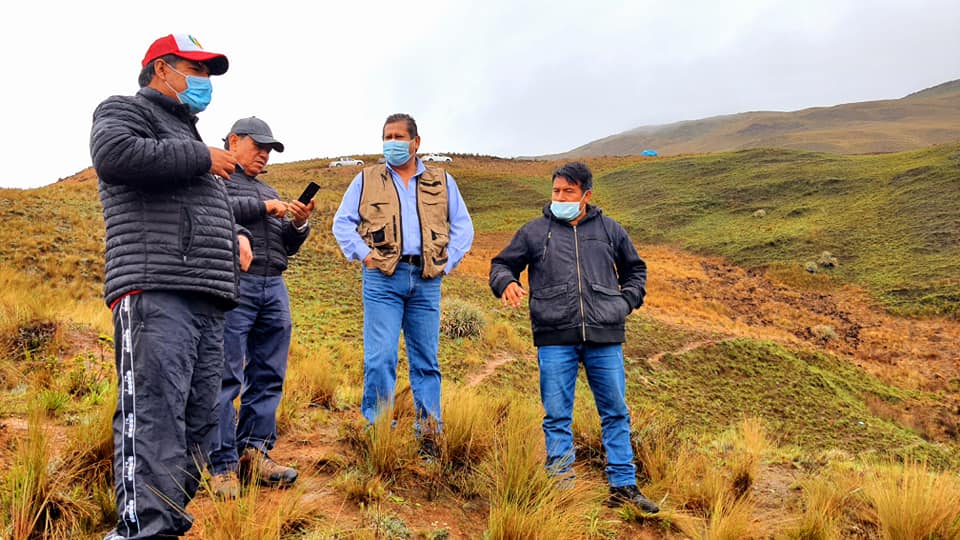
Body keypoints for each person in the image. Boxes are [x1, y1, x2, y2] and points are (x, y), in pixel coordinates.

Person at [90, 34, 251, 538]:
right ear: (162, 69)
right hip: (155, 288)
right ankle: (142, 528)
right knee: (155, 416)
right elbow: (114, 155)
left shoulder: (187, 136)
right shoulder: (125, 111)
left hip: (206, 296)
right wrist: (203, 157)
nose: (204, 83)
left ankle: (165, 519)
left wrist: (237, 235)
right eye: (196, 70)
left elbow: (198, 208)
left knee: (201, 422)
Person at [488, 162, 660, 514]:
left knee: (615, 412)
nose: (560, 197)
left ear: (586, 195)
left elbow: (635, 270)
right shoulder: (535, 232)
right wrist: (506, 283)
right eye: (556, 191)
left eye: (568, 191)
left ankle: (623, 487)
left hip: (604, 335)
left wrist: (624, 303)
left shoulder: (610, 230)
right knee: (556, 415)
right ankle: (560, 489)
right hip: (554, 337)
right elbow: (501, 264)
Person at [332, 113, 474, 446]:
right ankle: (379, 433)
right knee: (380, 358)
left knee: (426, 360)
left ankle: (429, 435)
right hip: (383, 279)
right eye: (387, 136)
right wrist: (365, 256)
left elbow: (464, 227)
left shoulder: (442, 181)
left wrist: (446, 263)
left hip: (426, 280)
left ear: (416, 142)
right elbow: (342, 223)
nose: (391, 143)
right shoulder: (366, 179)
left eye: (398, 136)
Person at [208, 117, 314, 498]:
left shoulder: (267, 188)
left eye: (270, 149)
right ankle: (221, 465)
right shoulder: (214, 177)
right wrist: (263, 207)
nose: (265, 153)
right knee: (226, 374)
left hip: (274, 285)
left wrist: (298, 225)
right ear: (234, 141)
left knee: (269, 372)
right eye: (259, 145)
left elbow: (283, 245)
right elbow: (215, 211)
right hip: (234, 285)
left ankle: (254, 453)